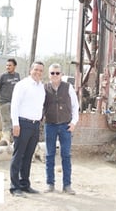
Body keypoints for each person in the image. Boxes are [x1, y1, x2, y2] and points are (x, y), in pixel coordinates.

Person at [9, 61, 45, 198]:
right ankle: (14, 187)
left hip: (35, 125)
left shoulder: (41, 87)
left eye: (41, 70)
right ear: (31, 70)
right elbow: (14, 105)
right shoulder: (22, 85)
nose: (38, 72)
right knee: (18, 155)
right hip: (22, 124)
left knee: (28, 156)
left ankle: (25, 184)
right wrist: (15, 124)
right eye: (36, 69)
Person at [43, 63, 79, 195]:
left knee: (66, 155)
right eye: (52, 73)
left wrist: (74, 122)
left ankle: (67, 185)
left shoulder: (68, 87)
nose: (55, 75)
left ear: (61, 74)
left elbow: (76, 106)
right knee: (49, 155)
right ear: (49, 75)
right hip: (50, 125)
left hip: (65, 125)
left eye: (57, 73)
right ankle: (50, 184)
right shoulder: (44, 88)